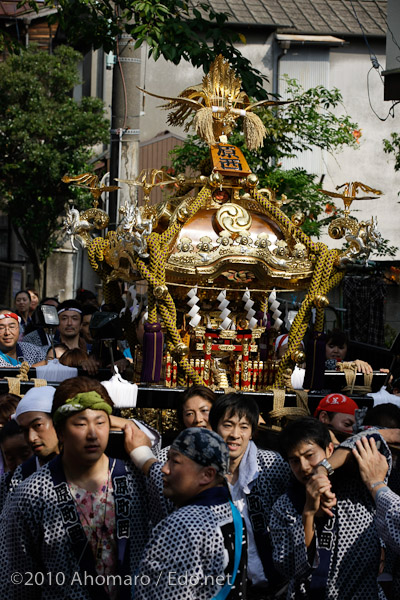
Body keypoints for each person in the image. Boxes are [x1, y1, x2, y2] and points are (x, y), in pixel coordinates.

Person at [0, 376, 151, 600]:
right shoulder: (32, 493)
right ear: (60, 431)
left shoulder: (133, 479)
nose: (92, 434)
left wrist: (146, 458)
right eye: (80, 424)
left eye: (100, 422)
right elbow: (16, 579)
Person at [270, 416, 391, 600]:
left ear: (329, 449)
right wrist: (309, 513)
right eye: (294, 460)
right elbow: (287, 567)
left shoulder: (357, 487)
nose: (304, 467)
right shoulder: (284, 506)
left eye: (310, 455)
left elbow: (372, 439)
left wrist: (323, 469)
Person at [132, 427, 247, 600]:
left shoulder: (184, 525)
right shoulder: (231, 511)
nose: (164, 469)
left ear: (207, 475)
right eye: (167, 459)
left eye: (175, 462)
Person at [209, 393, 291, 598]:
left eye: (244, 427)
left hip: (272, 585)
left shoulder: (272, 465)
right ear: (214, 427)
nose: (235, 434)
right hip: (221, 587)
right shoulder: (202, 471)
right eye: (228, 425)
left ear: (252, 432)